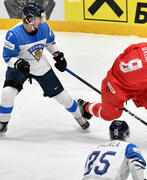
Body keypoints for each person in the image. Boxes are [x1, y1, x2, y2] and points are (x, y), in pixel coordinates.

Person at [0, 2, 89, 136]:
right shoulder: (13, 35)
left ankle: (79, 115)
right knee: (7, 93)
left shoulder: (44, 27)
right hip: (19, 67)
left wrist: (58, 55)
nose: (41, 21)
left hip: (39, 64)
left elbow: (49, 42)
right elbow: (7, 57)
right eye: (39, 18)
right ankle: (2, 123)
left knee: (63, 97)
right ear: (30, 19)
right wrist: (18, 63)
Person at [77, 38, 147, 142]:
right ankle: (86, 107)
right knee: (109, 115)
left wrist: (140, 72)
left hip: (134, 84)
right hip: (115, 87)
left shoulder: (144, 46)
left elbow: (126, 51)